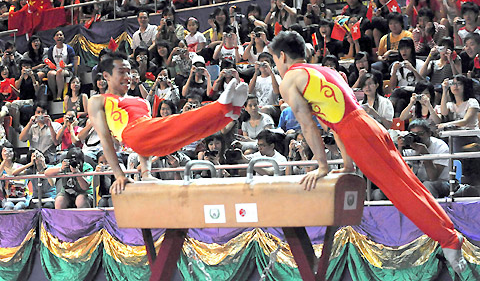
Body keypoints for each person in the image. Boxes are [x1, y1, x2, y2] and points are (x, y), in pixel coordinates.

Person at [269, 31, 466, 274]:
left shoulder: (289, 80)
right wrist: (348, 164)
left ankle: (448, 240)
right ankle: (449, 232)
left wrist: (322, 166)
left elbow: (308, 126)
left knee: (399, 193)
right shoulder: (324, 70)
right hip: (370, 126)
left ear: (281, 56)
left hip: (357, 133)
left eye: (274, 61)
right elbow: (336, 119)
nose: (276, 66)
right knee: (410, 184)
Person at [88, 52, 248, 193]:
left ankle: (229, 113)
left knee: (190, 132)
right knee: (178, 121)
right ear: (106, 76)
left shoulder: (141, 101)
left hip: (152, 142)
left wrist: (146, 174)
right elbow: (105, 139)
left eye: (129, 72)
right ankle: (221, 106)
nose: (127, 77)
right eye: (121, 72)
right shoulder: (98, 100)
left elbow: (147, 140)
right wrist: (119, 176)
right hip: (131, 135)